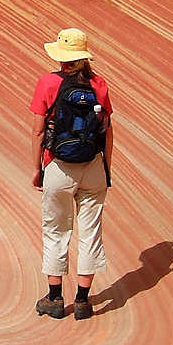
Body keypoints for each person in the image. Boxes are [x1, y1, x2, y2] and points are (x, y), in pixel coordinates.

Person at [29, 28, 114, 320]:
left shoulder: (48, 83)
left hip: (58, 167)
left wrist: (37, 168)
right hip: (92, 168)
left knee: (56, 231)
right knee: (90, 233)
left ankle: (54, 299)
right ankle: (82, 302)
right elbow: (107, 130)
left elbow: (39, 131)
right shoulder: (99, 84)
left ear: (62, 58)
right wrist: (106, 169)